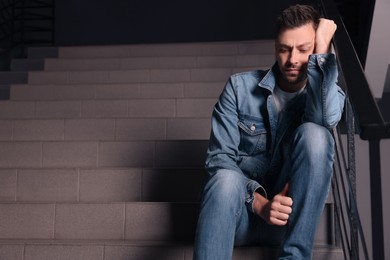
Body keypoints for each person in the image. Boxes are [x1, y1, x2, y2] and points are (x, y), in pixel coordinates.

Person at [193, 4, 345, 260]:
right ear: (275, 46)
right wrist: (261, 205)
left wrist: (322, 53)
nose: (293, 59)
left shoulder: (329, 94)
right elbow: (219, 160)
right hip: (240, 217)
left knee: (316, 135)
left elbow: (323, 120)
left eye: (304, 49)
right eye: (284, 49)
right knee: (223, 179)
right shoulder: (239, 88)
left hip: (289, 224)